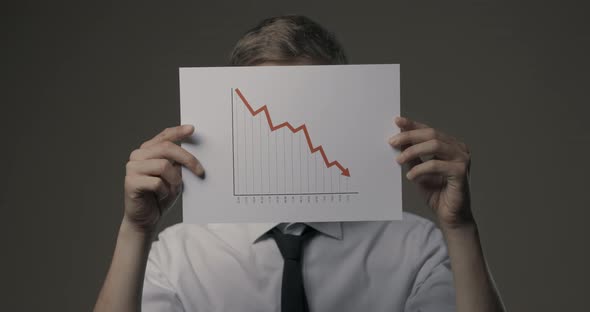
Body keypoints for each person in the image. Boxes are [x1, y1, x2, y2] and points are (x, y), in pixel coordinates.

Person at [94, 15, 505, 312]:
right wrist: (135, 231)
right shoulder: (178, 256)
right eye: (269, 116)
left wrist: (460, 227)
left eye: (312, 112)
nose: (293, 133)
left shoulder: (416, 248)